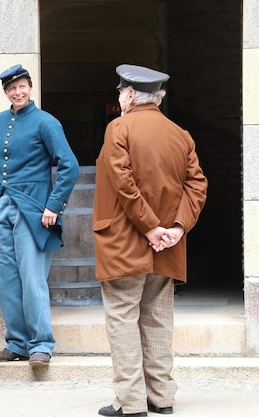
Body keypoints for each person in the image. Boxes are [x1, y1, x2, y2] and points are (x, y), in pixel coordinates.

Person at [92, 64, 208, 417]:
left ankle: (130, 403)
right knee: (158, 318)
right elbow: (197, 185)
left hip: (126, 241)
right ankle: (162, 398)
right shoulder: (180, 134)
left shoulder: (119, 128)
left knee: (123, 317)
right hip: (167, 245)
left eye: (120, 93)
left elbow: (123, 183)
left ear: (129, 94)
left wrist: (149, 227)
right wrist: (175, 228)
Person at [0, 64, 79, 367]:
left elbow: (69, 166)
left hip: (33, 210)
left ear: (30, 87)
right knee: (4, 280)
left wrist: (53, 205)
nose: (17, 92)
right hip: (2, 208)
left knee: (32, 278)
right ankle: (18, 343)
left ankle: (41, 345)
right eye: (12, 88)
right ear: (6, 92)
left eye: (22, 86)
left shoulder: (46, 122)